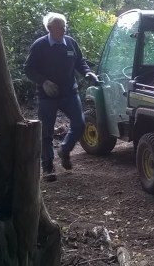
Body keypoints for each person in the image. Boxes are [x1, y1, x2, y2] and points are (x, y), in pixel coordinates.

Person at [24, 12, 99, 182]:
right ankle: (48, 167)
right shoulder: (40, 45)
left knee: (80, 124)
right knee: (46, 132)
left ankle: (64, 149)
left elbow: (81, 61)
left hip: (69, 93)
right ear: (50, 28)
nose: (63, 30)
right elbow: (28, 68)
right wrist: (44, 82)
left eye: (65, 27)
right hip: (47, 96)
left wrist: (88, 73)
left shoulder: (71, 43)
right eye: (60, 27)